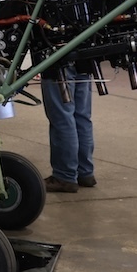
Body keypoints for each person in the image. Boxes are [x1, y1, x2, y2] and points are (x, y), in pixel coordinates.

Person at [42, 63, 95, 193]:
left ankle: (64, 176)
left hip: (58, 60)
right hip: (84, 58)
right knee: (82, 117)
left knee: (62, 118)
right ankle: (84, 172)